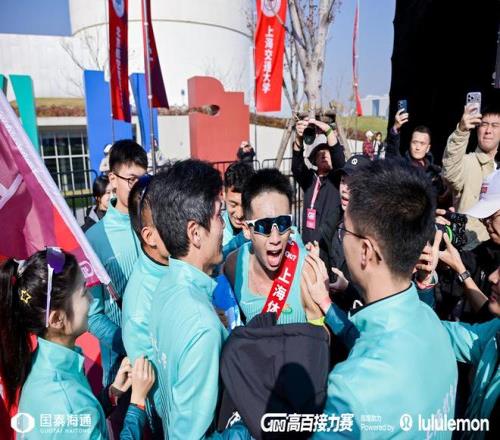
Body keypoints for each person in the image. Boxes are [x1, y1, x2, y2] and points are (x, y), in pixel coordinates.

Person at [302, 159, 458, 438]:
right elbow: (371, 340)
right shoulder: (433, 324)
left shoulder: (352, 391)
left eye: (344, 230)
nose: (341, 236)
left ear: (366, 251)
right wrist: (326, 303)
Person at [0, 249, 155, 439]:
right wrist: (137, 403)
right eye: (83, 291)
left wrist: (112, 394)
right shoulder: (66, 403)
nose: (91, 299)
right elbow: (72, 416)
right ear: (57, 319)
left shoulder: (43, 364)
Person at [148, 160, 250, 439]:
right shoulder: (203, 325)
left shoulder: (165, 285)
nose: (224, 225)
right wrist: (245, 429)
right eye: (218, 215)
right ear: (195, 233)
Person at [224, 168, 323, 325]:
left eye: (283, 223)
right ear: (246, 230)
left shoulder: (307, 269)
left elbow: (322, 335)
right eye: (264, 226)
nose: (275, 239)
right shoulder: (234, 265)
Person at [85, 140, 148, 388]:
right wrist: (131, 344)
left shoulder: (155, 224)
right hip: (121, 367)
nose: (140, 188)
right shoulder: (94, 238)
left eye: (144, 180)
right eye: (132, 180)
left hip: (161, 353)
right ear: (112, 179)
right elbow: (93, 316)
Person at [122, 174, 170, 438]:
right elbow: (161, 398)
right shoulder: (140, 305)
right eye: (171, 218)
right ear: (149, 236)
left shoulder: (177, 263)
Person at [442, 105, 500, 249]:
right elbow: (450, 171)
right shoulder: (467, 162)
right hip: (470, 251)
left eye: (495, 125)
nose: (488, 130)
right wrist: (461, 131)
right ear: (477, 129)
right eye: (484, 124)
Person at [318, 155, 370, 311]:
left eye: (353, 184)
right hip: (330, 313)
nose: (345, 189)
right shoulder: (331, 224)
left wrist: (348, 289)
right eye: (343, 181)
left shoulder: (376, 235)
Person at [292, 117, 345, 244]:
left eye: (327, 152)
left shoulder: (337, 179)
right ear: (314, 160)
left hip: (328, 246)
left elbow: (339, 158)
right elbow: (296, 165)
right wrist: (299, 138)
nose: (323, 155)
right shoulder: (309, 179)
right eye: (319, 153)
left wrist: (328, 130)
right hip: (308, 243)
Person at [386, 110, 448, 205]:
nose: (417, 147)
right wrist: (395, 128)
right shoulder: (401, 166)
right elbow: (391, 153)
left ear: (428, 148)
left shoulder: (435, 173)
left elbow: (441, 200)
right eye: (415, 142)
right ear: (410, 144)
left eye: (422, 143)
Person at [222, 162, 255, 259]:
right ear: (223, 195)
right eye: (233, 205)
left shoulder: (262, 227)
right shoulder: (215, 232)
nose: (240, 214)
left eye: (245, 205)